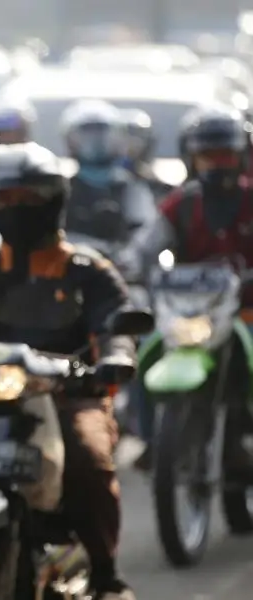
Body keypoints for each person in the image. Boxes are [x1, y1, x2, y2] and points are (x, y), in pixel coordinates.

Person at [0, 143, 137, 600]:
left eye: (29, 199)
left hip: (67, 392)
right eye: (4, 200)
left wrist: (116, 356)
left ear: (53, 202)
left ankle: (106, 572)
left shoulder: (89, 271)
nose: (16, 209)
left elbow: (116, 325)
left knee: (90, 460)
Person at [126, 104, 253, 470]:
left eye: (224, 156)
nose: (217, 165)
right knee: (146, 356)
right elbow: (146, 246)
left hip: (245, 309)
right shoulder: (182, 203)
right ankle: (153, 438)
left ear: (240, 157)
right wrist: (127, 266)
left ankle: (242, 434)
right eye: (207, 157)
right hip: (192, 311)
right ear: (192, 159)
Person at [61, 99, 157, 245]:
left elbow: (146, 236)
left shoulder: (132, 188)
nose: (96, 144)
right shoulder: (64, 190)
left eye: (102, 135)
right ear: (70, 141)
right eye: (87, 136)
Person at [121, 108, 174, 200]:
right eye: (131, 134)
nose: (135, 143)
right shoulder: (111, 175)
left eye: (139, 135)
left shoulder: (149, 176)